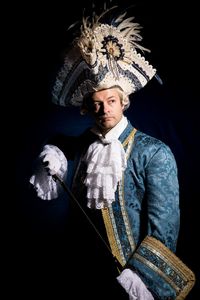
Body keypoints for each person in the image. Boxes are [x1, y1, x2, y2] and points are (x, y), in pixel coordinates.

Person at [29, 4, 195, 299]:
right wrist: (54, 150)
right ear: (87, 108)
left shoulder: (154, 153)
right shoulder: (86, 142)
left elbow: (165, 228)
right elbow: (63, 143)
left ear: (123, 102)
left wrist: (140, 277)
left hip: (127, 276)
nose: (104, 109)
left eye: (111, 101)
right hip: (78, 272)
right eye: (96, 103)